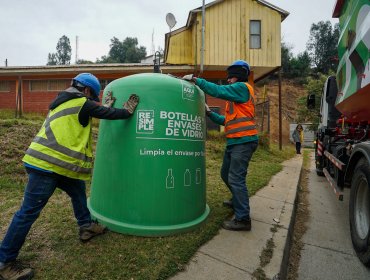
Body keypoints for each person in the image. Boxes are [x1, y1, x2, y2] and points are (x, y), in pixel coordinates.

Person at [0, 73, 139, 280]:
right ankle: (4, 263)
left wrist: (103, 106)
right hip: (47, 166)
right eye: (93, 96)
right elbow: (108, 113)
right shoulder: (82, 102)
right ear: (86, 91)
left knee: (78, 192)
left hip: (58, 165)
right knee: (27, 213)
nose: (93, 101)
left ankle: (86, 226)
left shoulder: (63, 102)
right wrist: (126, 111)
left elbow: (92, 112)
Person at [183, 60, 258, 231]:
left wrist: (197, 80)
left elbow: (217, 91)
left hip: (244, 141)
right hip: (235, 142)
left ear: (237, 76)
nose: (228, 81)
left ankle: (243, 219)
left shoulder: (242, 87)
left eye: (230, 78)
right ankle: (237, 200)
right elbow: (227, 121)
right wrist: (210, 113)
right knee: (226, 174)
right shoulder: (236, 98)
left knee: (236, 178)